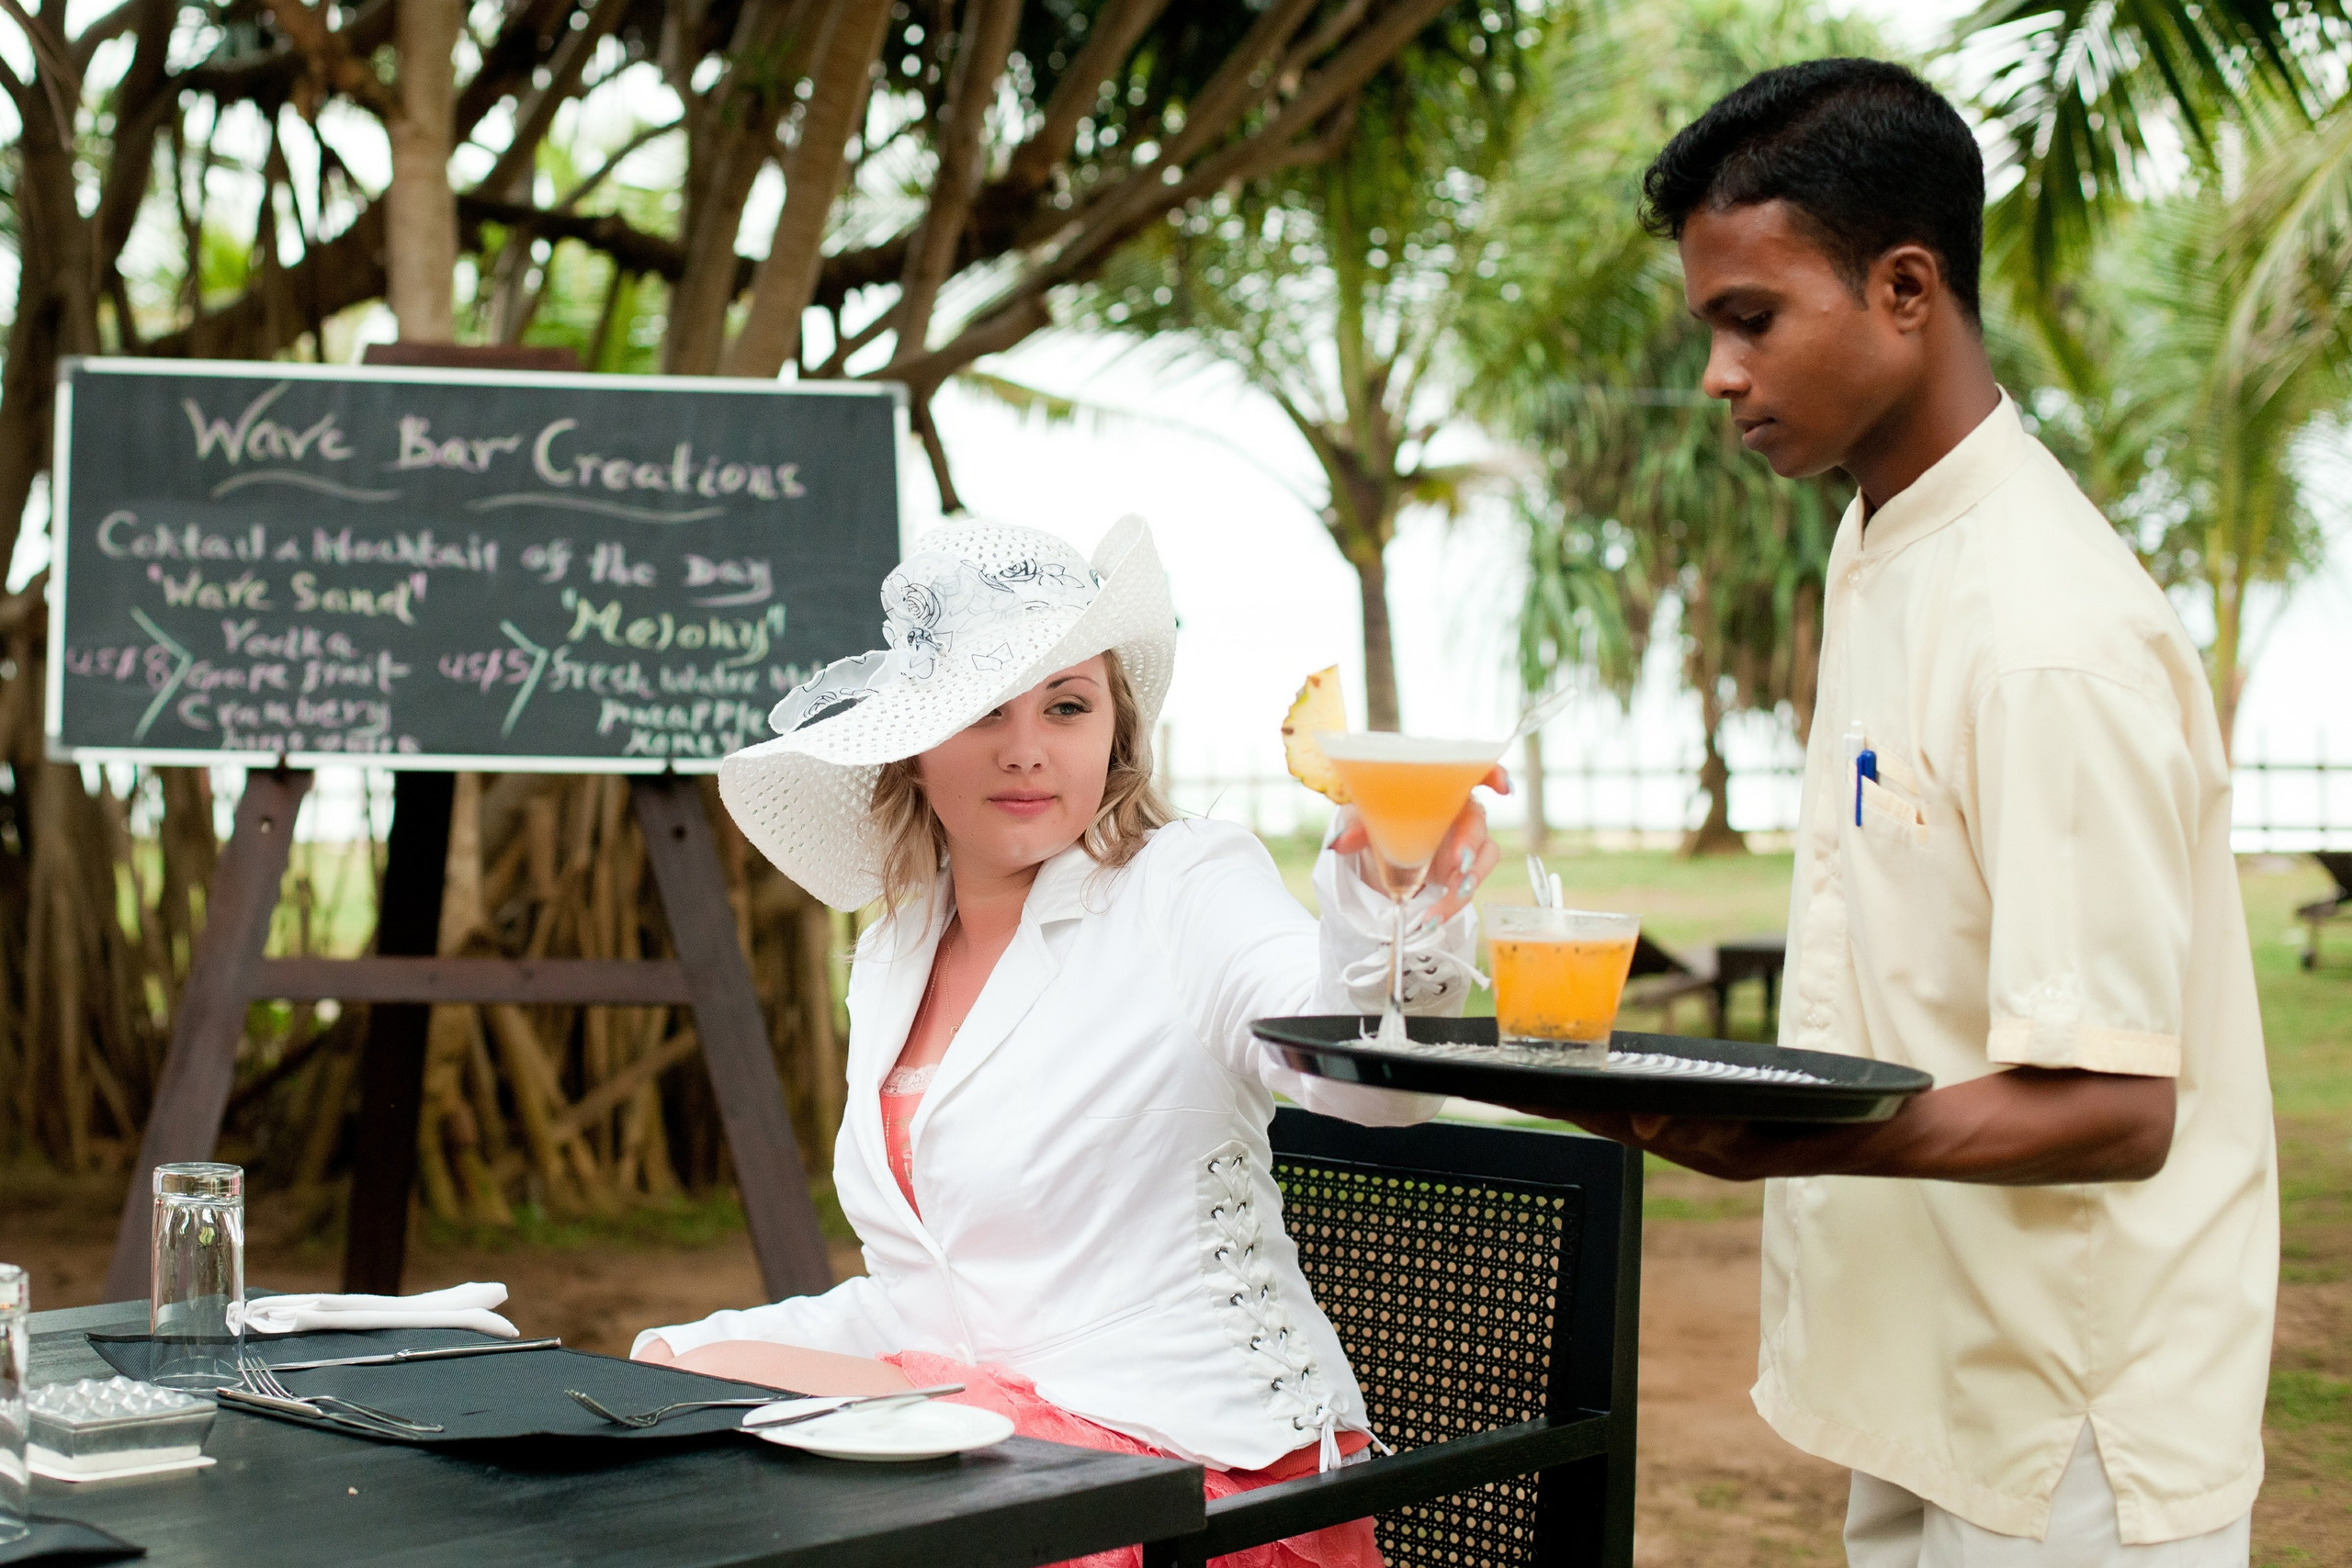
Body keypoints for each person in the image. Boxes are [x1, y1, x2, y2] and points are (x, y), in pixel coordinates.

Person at [1556, 59, 2278, 1567]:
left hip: (2067, 1434)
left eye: (1750, 319)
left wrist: (1782, 1138)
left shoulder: (2047, 632)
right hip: (1932, 1377)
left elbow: (2119, 1103)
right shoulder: (1884, 544)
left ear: (1903, 288)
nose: (1718, 377)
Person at [633, 517, 1505, 1568]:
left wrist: (1389, 899)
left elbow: (1373, 1087)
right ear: (911, 747)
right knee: (679, 1376)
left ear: (1115, 732)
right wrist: (693, 1352)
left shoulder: (1184, 886)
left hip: (1202, 1494)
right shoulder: (894, 952)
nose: (1027, 748)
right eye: (980, 710)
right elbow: (932, 1299)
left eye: (1066, 705)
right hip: (997, 1465)